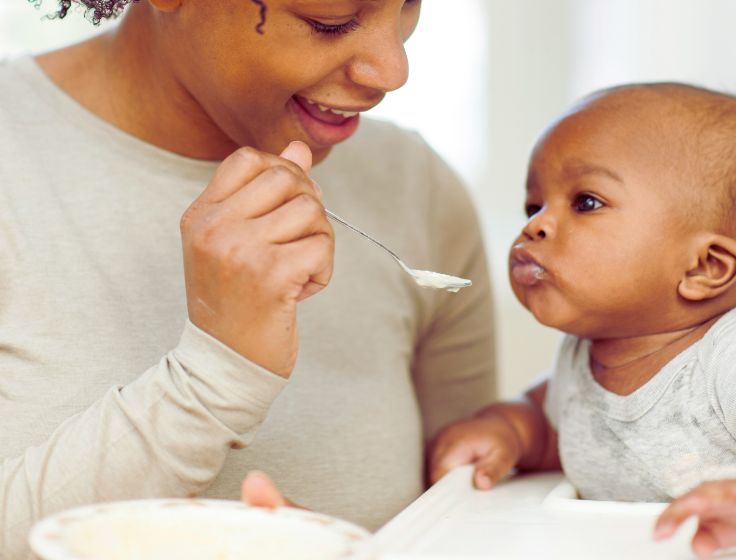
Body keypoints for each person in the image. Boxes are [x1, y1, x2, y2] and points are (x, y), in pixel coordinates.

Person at [0, 0, 496, 556]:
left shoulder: (415, 186)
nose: (392, 70)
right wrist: (217, 376)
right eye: (329, 21)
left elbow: (473, 513)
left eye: (409, 4)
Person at [427, 83, 736, 558]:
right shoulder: (583, 358)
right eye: (534, 205)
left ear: (704, 267)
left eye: (586, 202)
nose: (535, 225)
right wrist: (508, 432)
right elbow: (560, 431)